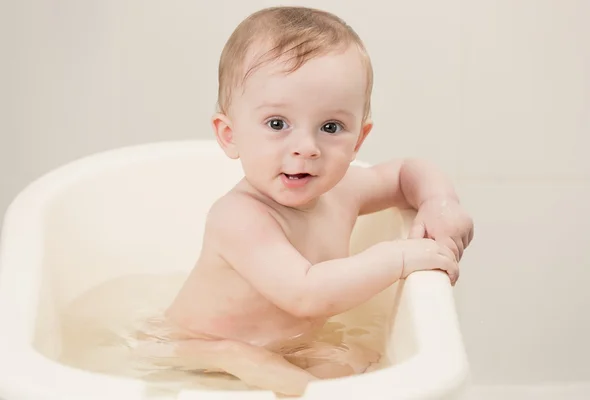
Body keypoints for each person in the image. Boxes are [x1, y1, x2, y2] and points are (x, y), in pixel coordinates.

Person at [132, 5, 474, 396]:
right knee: (277, 372)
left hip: (283, 340)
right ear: (230, 135)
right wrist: (398, 257)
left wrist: (439, 200)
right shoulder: (239, 218)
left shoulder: (342, 192)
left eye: (331, 127)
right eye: (278, 124)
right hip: (196, 348)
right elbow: (306, 293)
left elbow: (402, 173)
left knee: (362, 365)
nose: (306, 148)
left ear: (358, 140)